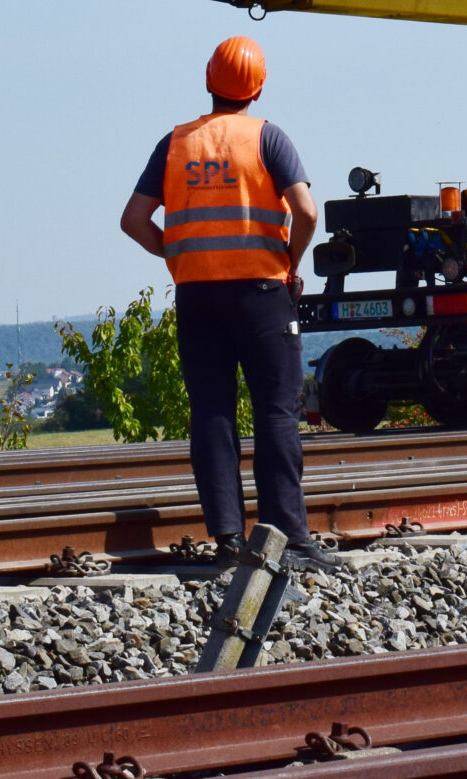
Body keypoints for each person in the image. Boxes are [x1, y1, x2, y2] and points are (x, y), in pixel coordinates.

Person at [118, 36, 343, 572]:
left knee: (213, 415)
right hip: (263, 294)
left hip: (198, 297)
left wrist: (177, 254)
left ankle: (226, 538)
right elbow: (307, 212)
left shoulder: (175, 144)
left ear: (207, 81)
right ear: (259, 87)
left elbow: (132, 221)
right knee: (276, 413)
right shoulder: (269, 139)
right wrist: (290, 261)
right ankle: (290, 537)